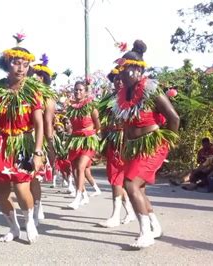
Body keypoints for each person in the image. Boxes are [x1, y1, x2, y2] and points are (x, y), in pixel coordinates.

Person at [0, 34, 52, 244]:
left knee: (22, 187)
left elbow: (39, 124)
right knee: (0, 191)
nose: (21, 68)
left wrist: (38, 152)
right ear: (7, 64)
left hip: (23, 143)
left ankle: (29, 221)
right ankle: (13, 228)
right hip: (1, 143)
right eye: (16, 63)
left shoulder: (32, 92)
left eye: (25, 64)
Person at [112, 40, 180, 248]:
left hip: (152, 144)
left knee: (130, 184)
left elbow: (174, 118)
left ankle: (145, 233)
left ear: (136, 69)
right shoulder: (124, 94)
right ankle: (154, 226)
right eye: (119, 71)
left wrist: (167, 142)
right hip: (134, 146)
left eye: (123, 71)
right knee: (138, 188)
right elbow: (125, 125)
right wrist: (124, 147)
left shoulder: (152, 90)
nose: (120, 75)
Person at [98, 67, 135, 228]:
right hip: (114, 141)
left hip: (129, 141)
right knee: (115, 178)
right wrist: (103, 142)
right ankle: (120, 213)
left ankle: (126, 212)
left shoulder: (134, 96)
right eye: (115, 79)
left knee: (128, 180)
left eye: (121, 78)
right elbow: (104, 123)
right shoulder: (109, 99)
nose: (118, 81)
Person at [65, 81, 101, 210]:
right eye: (76, 90)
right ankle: (84, 194)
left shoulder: (91, 106)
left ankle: (78, 197)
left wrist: (94, 137)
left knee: (81, 167)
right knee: (74, 169)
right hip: (74, 140)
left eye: (80, 90)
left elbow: (98, 125)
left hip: (88, 140)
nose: (78, 92)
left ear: (85, 92)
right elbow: (71, 126)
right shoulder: (71, 108)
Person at [31, 54, 57, 225]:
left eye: (39, 75)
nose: (36, 77)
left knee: (34, 177)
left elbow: (48, 125)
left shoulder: (48, 98)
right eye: (34, 74)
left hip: (36, 139)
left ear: (44, 78)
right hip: (20, 136)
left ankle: (37, 206)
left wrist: (50, 148)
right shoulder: (24, 92)